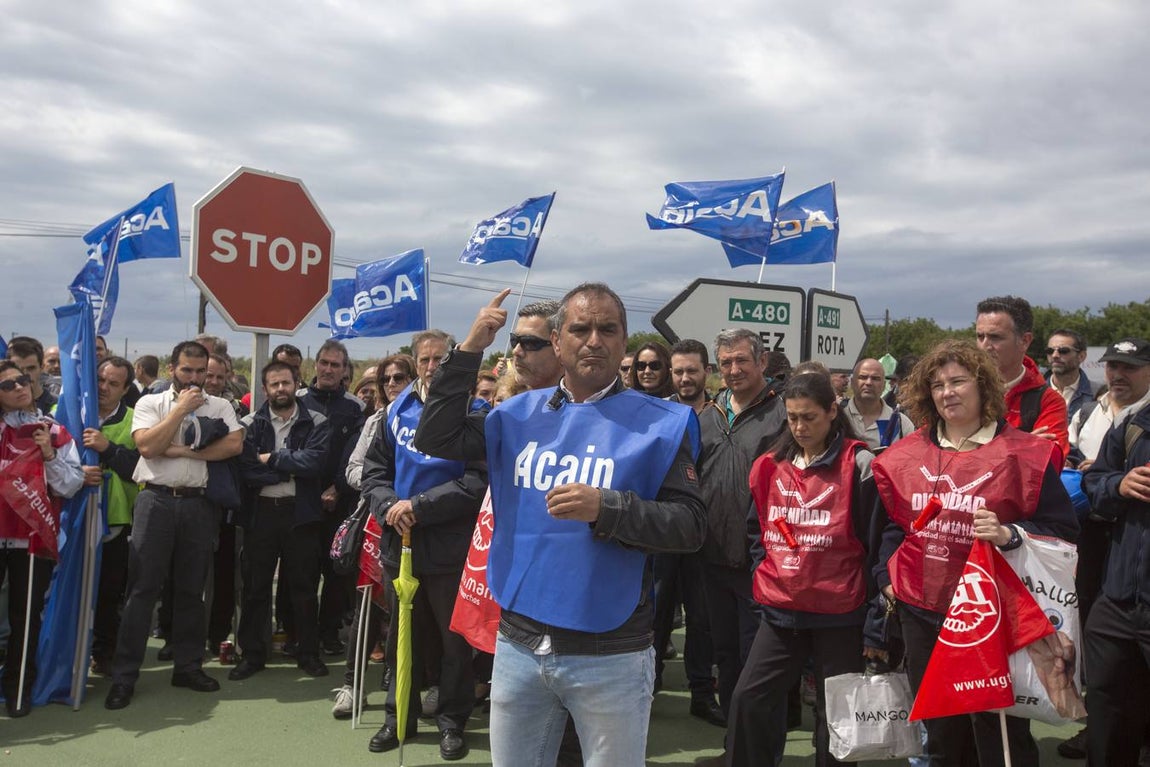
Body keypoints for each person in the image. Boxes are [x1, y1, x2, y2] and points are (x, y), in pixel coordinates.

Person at [414, 284, 706, 767]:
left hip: (610, 651)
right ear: (557, 341)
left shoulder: (664, 423)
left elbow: (691, 526)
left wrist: (608, 508)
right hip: (519, 643)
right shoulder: (513, 414)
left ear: (624, 341)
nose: (594, 340)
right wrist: (467, 352)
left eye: (608, 329)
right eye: (581, 328)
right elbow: (435, 434)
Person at [871, 339, 1077, 765]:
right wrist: (886, 580)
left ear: (984, 386)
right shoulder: (905, 454)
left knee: (998, 730)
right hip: (921, 610)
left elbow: (1063, 532)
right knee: (942, 733)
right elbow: (893, 526)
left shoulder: (1026, 453)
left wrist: (1009, 534)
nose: (947, 392)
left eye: (958, 381)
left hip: (992, 614)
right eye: (938, 384)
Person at [723, 371, 879, 767]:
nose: (799, 426)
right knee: (748, 699)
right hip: (781, 610)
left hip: (840, 613)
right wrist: (766, 567)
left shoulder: (860, 465)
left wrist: (877, 619)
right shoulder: (769, 465)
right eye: (792, 417)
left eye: (809, 417)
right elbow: (755, 526)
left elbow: (877, 544)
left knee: (835, 718)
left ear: (832, 411)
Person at [361, 329, 486, 761]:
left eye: (441, 360)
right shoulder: (396, 409)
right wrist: (391, 505)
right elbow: (374, 471)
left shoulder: (476, 411)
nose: (433, 367)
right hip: (400, 540)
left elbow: (476, 480)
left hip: (450, 545)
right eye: (426, 360)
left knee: (454, 643)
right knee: (400, 637)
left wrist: (421, 505)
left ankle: (452, 722)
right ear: (416, 363)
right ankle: (399, 718)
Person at [104, 341, 244, 711]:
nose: (196, 379)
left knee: (191, 590)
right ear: (172, 369)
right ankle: (124, 676)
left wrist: (182, 450)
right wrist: (181, 410)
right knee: (142, 590)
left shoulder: (222, 405)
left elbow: (233, 446)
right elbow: (148, 446)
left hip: (198, 505)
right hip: (155, 500)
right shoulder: (151, 403)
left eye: (201, 372)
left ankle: (188, 666)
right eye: (188, 371)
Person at [698, 329, 787, 719]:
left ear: (762, 362)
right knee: (727, 654)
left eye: (741, 361)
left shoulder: (784, 412)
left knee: (760, 661)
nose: (733, 370)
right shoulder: (707, 414)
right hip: (712, 556)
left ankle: (760, 750)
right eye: (725, 363)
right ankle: (736, 746)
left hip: (762, 560)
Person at [230, 361, 332, 681]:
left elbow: (315, 462)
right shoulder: (248, 422)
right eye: (274, 384)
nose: (280, 389)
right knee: (255, 587)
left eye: (286, 383)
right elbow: (246, 470)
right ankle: (252, 654)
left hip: (300, 513)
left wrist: (272, 458)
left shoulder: (317, 421)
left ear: (296, 382)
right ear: (265, 389)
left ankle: (307, 653)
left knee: (303, 588)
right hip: (261, 513)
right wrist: (289, 467)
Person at [1080, 338, 1150, 766]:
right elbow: (1095, 486)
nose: (1119, 375)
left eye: (1131, 367)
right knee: (1106, 713)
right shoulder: (1129, 425)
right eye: (1112, 367)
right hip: (1119, 600)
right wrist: (1117, 486)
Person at [0, 360, 84, 716]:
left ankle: (19, 688)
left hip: (32, 539)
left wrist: (48, 454)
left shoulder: (53, 429)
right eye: (8, 384)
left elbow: (72, 482)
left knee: (25, 616)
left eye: (23, 379)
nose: (20, 386)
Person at [656, 337, 723, 726]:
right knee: (657, 615)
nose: (684, 378)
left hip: (706, 535)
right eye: (678, 371)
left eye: (691, 370)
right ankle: (648, 689)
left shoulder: (720, 418)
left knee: (702, 620)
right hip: (663, 532)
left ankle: (702, 693)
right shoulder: (658, 414)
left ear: (706, 372)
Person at [298, 340, 366, 656]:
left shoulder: (355, 408)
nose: (328, 369)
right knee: (301, 572)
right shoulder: (298, 400)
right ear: (315, 365)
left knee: (336, 572)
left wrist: (338, 488)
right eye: (324, 362)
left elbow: (356, 455)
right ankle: (301, 635)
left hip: (339, 502)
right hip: (301, 500)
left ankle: (328, 633)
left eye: (335, 365)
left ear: (344, 371)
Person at [83, 358, 142, 677]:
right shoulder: (68, 412)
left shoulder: (135, 421)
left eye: (113, 383)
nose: (104, 387)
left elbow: (139, 471)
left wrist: (107, 449)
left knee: (109, 591)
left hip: (115, 521)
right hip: (72, 520)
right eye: (101, 380)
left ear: (126, 389)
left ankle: (104, 651)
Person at [975, 295, 1069, 459]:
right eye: (980, 336)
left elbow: (1049, 462)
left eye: (995, 337)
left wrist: (975, 449)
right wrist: (1023, 446)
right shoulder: (955, 390)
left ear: (1025, 341)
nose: (985, 346)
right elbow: (933, 453)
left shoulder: (1048, 400)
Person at [843, 357, 915, 452]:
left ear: (884, 385)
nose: (868, 382)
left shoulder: (901, 423)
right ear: (852, 382)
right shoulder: (838, 419)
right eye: (863, 377)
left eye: (875, 378)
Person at [1044, 329, 1093, 423]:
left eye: (1063, 351)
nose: (1055, 355)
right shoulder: (1032, 393)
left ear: (1081, 356)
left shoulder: (1098, 394)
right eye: (1050, 351)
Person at [6, 337, 57, 416]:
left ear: (42, 368)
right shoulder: (3, 407)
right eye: (19, 369)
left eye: (31, 368)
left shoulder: (59, 406)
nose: (25, 374)